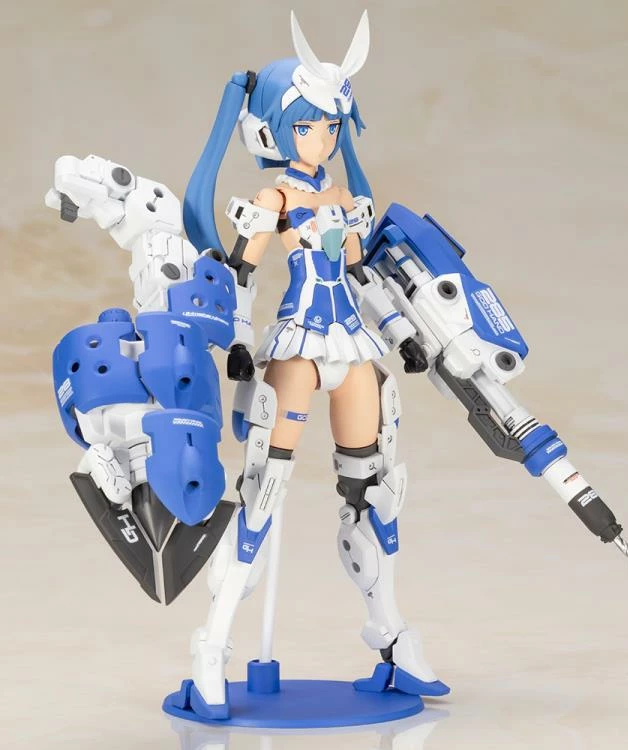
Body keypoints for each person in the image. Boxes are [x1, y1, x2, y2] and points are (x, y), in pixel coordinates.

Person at [182, 11, 449, 718]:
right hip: (299, 344)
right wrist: (240, 341)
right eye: (308, 126)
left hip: (350, 344)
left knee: (374, 490)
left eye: (331, 126)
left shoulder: (344, 201)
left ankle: (390, 636)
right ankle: (212, 646)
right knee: (263, 490)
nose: (322, 138)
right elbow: (241, 274)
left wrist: (400, 332)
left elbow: (362, 279)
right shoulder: (273, 199)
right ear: (277, 128)